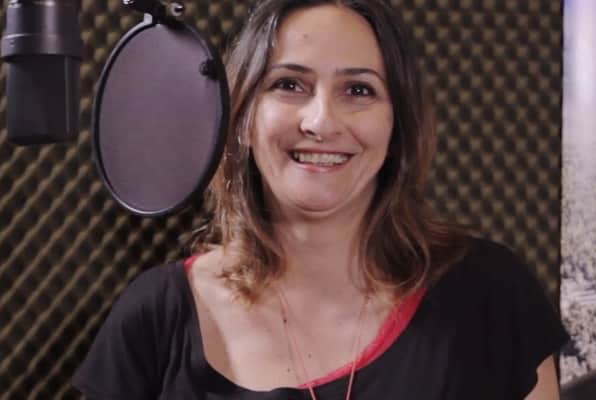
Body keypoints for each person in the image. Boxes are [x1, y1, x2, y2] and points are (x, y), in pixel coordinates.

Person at [73, 0, 568, 398]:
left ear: (396, 125)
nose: (322, 121)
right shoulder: (155, 316)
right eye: (289, 84)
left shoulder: (489, 293)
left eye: (359, 90)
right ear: (243, 117)